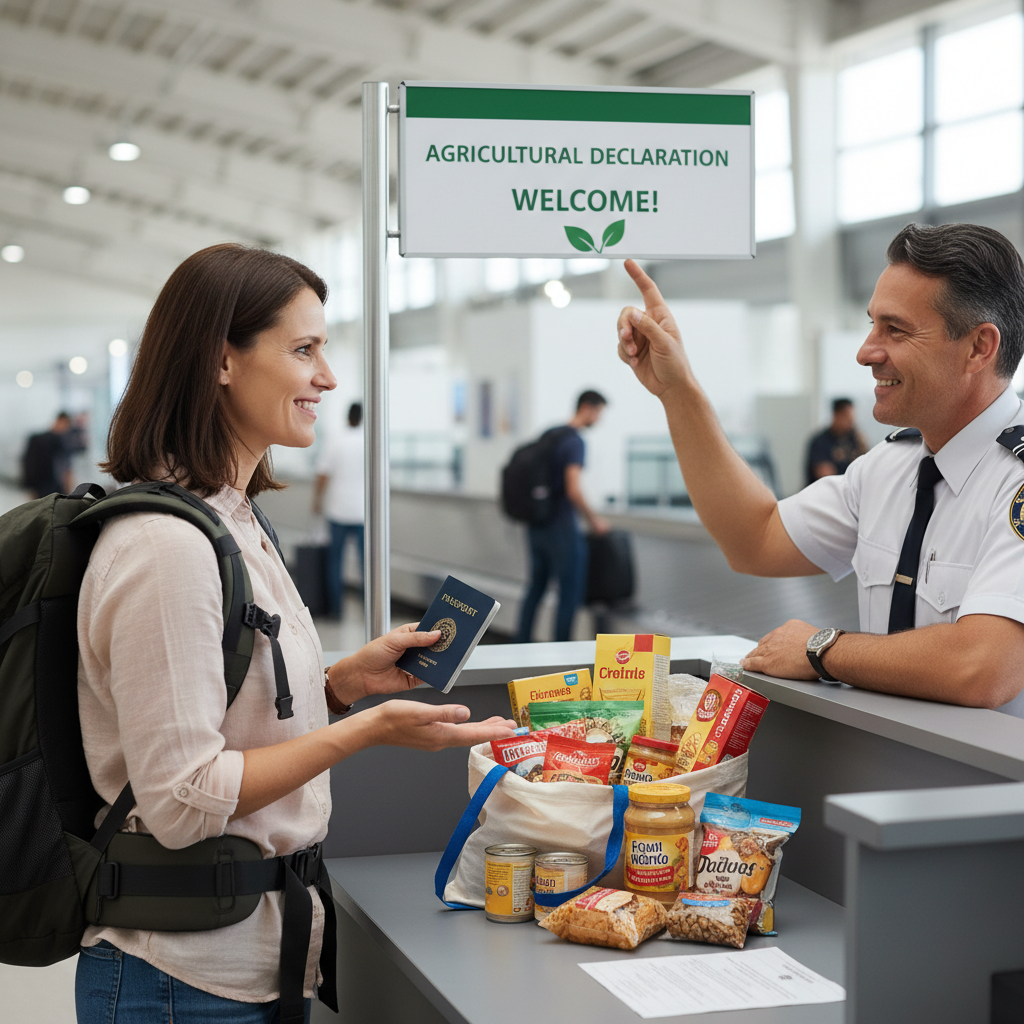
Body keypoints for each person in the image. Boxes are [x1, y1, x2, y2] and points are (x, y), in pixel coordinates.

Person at [76, 243, 515, 1023]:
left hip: (264, 956)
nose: (328, 377)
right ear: (221, 361)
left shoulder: (235, 522)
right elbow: (180, 799)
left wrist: (342, 686)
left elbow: (220, 710)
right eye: (303, 349)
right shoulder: (167, 548)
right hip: (183, 980)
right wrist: (367, 732)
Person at [615, 222, 1024, 715]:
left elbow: (984, 666)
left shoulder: (1012, 480)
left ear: (979, 347)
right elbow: (754, 539)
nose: (866, 351)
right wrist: (677, 390)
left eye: (895, 329)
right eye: (872, 323)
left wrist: (823, 649)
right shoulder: (888, 469)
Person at [515, 390, 610, 644]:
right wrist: (594, 521)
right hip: (562, 528)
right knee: (569, 594)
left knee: (536, 588)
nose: (599, 419)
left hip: (537, 524)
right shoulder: (575, 442)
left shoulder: (551, 434)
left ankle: (520, 645)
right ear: (588, 408)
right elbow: (573, 488)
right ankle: (561, 653)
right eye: (599, 412)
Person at [312, 402, 364, 618]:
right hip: (364, 512)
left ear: (347, 417)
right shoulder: (370, 442)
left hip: (338, 510)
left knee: (335, 561)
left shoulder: (337, 440)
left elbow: (323, 473)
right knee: (368, 563)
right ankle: (369, 606)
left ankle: (336, 610)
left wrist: (317, 500)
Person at [805, 397, 867, 486]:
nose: (851, 421)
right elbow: (825, 475)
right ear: (836, 415)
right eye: (847, 417)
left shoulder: (856, 440)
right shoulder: (820, 441)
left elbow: (865, 469)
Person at [21, 411, 72, 498]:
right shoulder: (59, 442)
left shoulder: (36, 439)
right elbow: (66, 469)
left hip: (42, 487)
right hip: (48, 487)